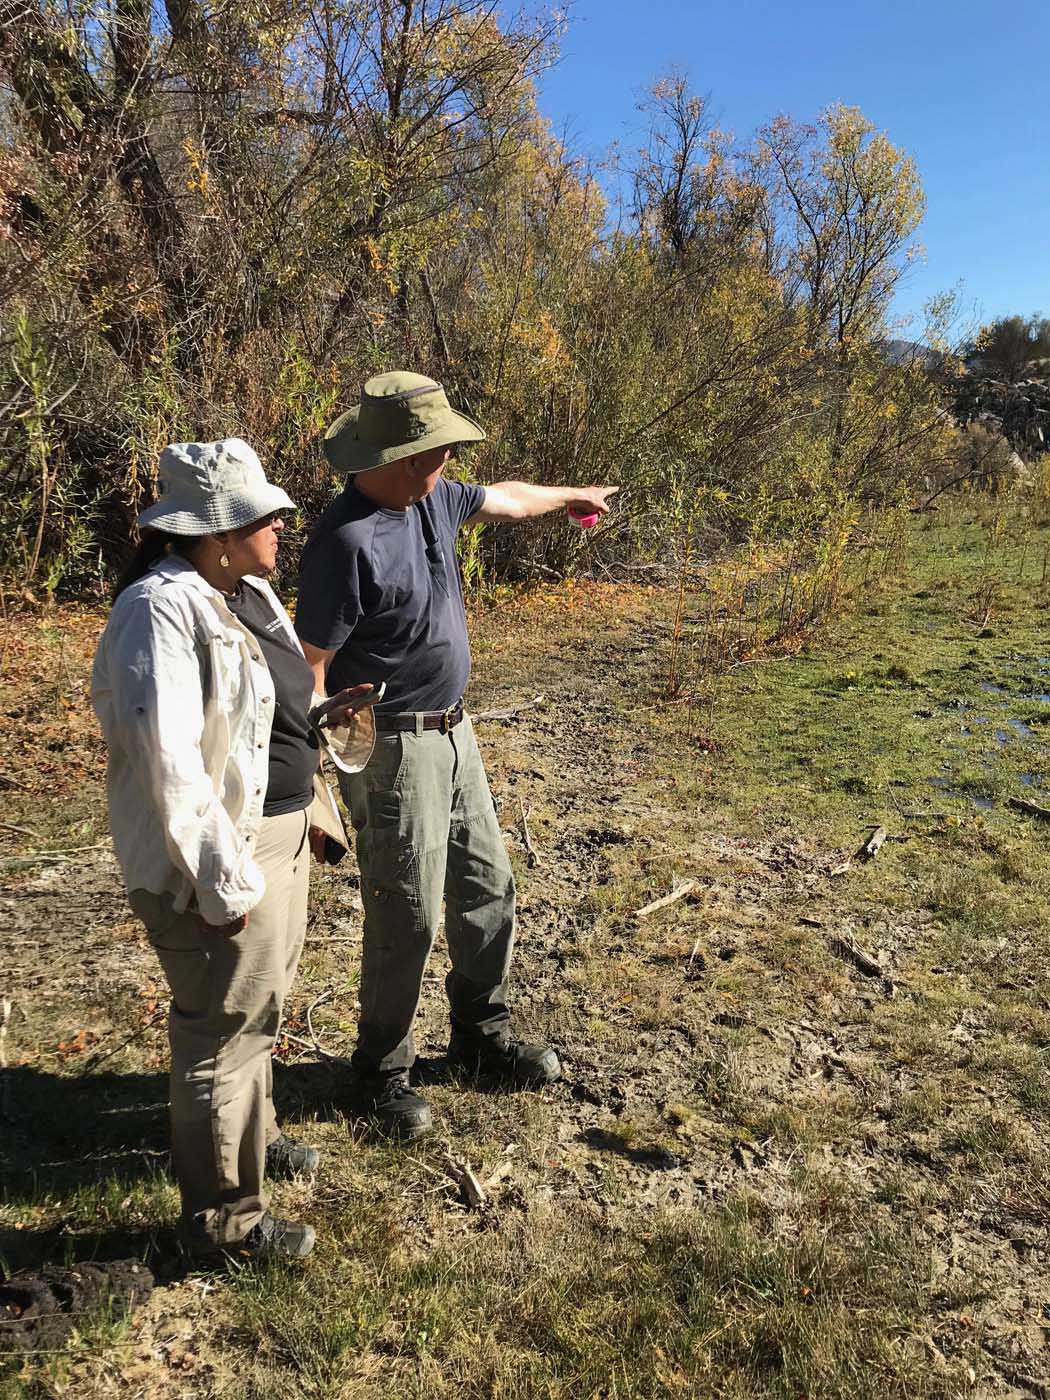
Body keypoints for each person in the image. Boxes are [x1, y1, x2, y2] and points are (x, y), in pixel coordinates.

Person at [296, 371, 618, 1140]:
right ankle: (380, 1074)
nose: (449, 465)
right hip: (392, 745)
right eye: (439, 452)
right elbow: (307, 671)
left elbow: (506, 495)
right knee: (407, 914)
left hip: (454, 730)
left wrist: (573, 493)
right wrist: (310, 789)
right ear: (404, 457)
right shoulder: (344, 543)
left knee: (487, 886)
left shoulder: (432, 497)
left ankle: (480, 1037)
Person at [92, 439, 367, 1261]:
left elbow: (285, 701)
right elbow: (168, 763)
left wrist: (326, 732)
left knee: (262, 1007)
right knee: (221, 1032)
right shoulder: (160, 609)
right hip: (213, 857)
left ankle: (257, 1130)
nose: (283, 524)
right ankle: (222, 1223)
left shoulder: (246, 590)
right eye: (265, 515)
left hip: (276, 837)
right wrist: (221, 883)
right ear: (217, 532)